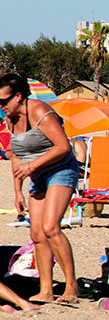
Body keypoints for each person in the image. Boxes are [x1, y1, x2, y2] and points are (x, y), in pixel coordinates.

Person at [1, 74, 80, 303]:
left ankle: (71, 287)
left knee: (51, 227)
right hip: (36, 174)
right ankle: (46, 289)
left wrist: (32, 166)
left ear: (18, 96)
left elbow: (63, 146)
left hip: (61, 170)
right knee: (36, 233)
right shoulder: (10, 118)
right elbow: (17, 155)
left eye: (4, 101)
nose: (1, 106)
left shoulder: (39, 112)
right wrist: (18, 190)